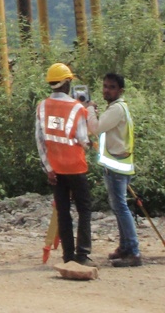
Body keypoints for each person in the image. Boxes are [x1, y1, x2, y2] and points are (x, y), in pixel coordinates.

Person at [35, 62, 93, 266]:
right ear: (67, 82)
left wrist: (48, 169)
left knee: (63, 212)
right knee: (84, 209)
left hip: (56, 171)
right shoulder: (77, 108)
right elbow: (82, 139)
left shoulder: (42, 107)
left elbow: (40, 140)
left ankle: (68, 256)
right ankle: (83, 254)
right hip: (76, 168)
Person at [86, 73, 142, 267]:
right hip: (118, 164)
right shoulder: (117, 108)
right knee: (119, 208)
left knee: (121, 208)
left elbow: (96, 127)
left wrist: (89, 110)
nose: (106, 90)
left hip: (117, 167)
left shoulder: (117, 109)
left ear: (120, 91)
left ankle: (133, 251)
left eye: (111, 87)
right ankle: (125, 247)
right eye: (105, 86)